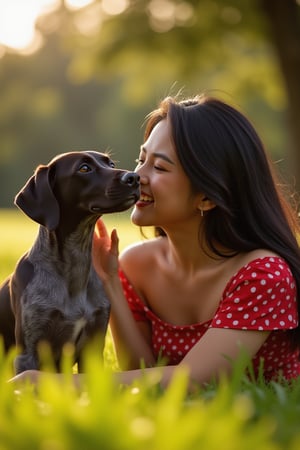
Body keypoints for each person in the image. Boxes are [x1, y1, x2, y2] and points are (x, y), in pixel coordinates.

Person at [10, 94, 300, 389]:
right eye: (141, 159)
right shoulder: (134, 265)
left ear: (208, 196)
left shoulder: (264, 275)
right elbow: (141, 374)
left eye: (159, 168)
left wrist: (44, 384)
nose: (137, 176)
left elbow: (195, 380)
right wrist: (109, 279)